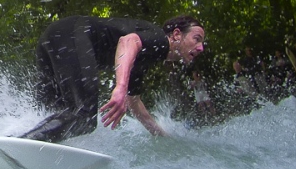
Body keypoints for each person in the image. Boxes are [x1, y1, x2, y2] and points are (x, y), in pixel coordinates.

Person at [21, 14, 206, 142]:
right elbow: (128, 41)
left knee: (54, 111)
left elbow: (134, 102)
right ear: (176, 35)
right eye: (197, 39)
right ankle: (23, 146)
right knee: (84, 116)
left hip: (55, 36)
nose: (201, 48)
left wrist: (161, 136)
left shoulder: (145, 58)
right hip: (71, 36)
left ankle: (16, 145)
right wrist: (120, 87)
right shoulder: (159, 40)